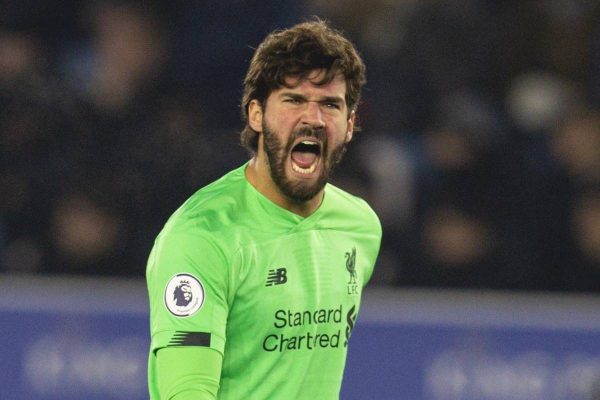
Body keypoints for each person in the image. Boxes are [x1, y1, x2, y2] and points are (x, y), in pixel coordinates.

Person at [146, 19, 382, 399]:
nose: (313, 119)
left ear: (350, 123)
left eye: (330, 104)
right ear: (256, 114)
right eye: (294, 100)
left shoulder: (360, 227)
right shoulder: (201, 237)